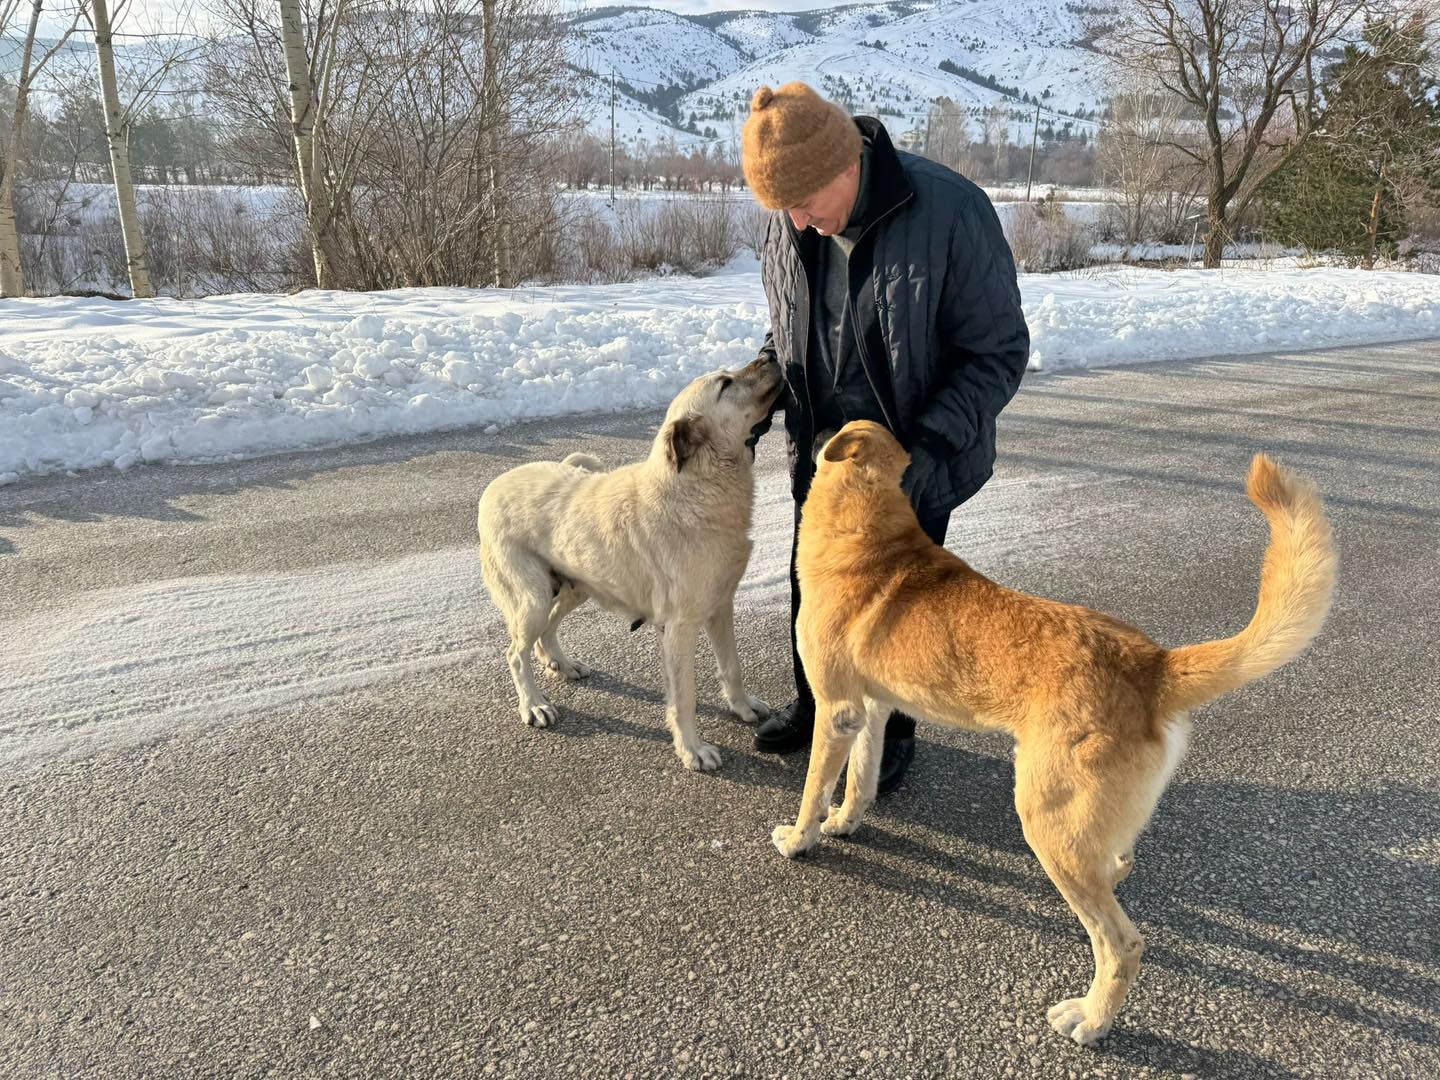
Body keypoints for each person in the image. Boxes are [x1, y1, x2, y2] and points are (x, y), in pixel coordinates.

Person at [741, 82, 1030, 795]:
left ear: (847, 165)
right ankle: (819, 710)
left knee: (895, 606)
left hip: (910, 453)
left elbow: (997, 352)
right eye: (785, 212)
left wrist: (930, 448)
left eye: (807, 206)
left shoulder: (950, 210)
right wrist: (756, 396)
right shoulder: (792, 216)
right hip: (822, 444)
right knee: (814, 588)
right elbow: (789, 328)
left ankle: (889, 733)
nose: (801, 226)